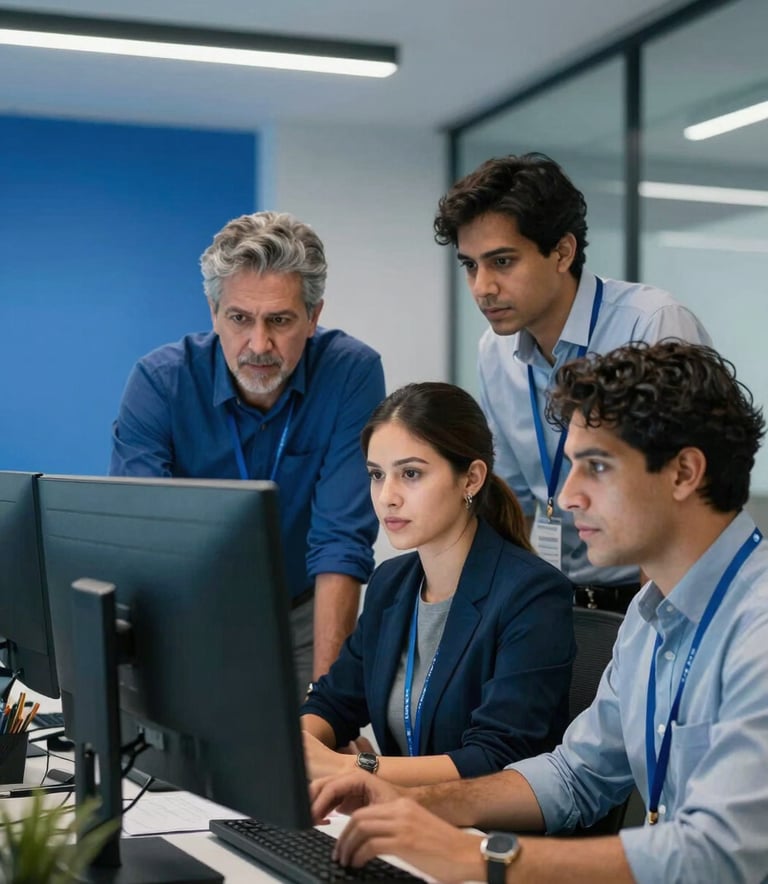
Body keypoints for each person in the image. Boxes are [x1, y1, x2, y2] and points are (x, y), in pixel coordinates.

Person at [310, 341, 768, 884]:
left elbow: (719, 853)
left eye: (595, 466)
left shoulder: (755, 629)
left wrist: (477, 859)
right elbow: (573, 775)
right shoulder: (649, 617)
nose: (567, 496)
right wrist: (416, 803)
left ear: (684, 472)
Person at [109, 211, 385, 694]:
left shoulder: (350, 374)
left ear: (314, 315)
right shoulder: (160, 383)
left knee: (306, 761)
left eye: (280, 320)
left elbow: (341, 541)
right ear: (213, 312)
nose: (259, 344)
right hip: (188, 610)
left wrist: (327, 710)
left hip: (303, 617)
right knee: (174, 763)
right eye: (239, 318)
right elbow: (141, 536)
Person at [434, 153, 712, 611]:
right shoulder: (495, 350)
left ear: (562, 252)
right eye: (470, 265)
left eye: (502, 261)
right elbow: (513, 502)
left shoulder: (652, 325)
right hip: (551, 599)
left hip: (650, 597)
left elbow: (678, 500)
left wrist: (647, 629)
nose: (482, 287)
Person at [301, 381, 575, 786]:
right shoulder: (391, 584)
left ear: (471, 479)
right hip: (400, 822)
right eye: (377, 475)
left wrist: (353, 769)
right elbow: (334, 701)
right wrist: (301, 746)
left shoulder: (532, 595)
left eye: (410, 474)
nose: (387, 496)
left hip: (489, 836)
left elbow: (494, 759)